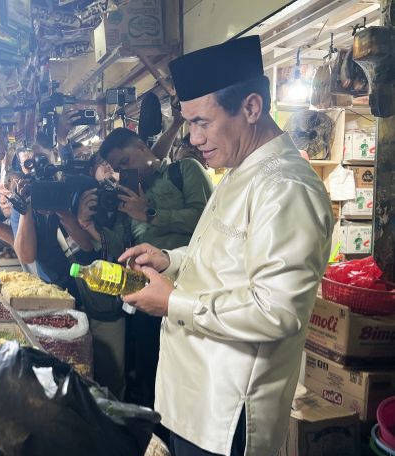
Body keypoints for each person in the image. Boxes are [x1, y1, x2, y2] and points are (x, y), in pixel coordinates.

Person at [118, 36, 334, 456]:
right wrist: (170, 260)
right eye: (188, 124)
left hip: (225, 416)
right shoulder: (240, 171)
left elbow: (279, 310)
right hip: (191, 402)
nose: (193, 138)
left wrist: (175, 303)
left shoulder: (285, 187)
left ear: (251, 108)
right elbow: (221, 258)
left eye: (202, 121)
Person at [76, 126, 213, 409]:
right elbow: (119, 248)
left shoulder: (185, 170)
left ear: (140, 145)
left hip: (193, 290)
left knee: (192, 376)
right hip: (147, 293)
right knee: (149, 374)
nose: (125, 171)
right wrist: (88, 225)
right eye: (117, 168)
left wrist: (149, 213)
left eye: (125, 162)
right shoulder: (129, 196)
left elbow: (207, 221)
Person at [10, 143, 95, 301]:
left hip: (94, 292)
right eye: (29, 164)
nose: (37, 167)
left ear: (54, 155)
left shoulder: (80, 187)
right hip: (56, 294)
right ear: (23, 168)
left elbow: (89, 246)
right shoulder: (22, 202)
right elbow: (27, 257)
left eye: (42, 159)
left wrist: (62, 210)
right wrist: (25, 211)